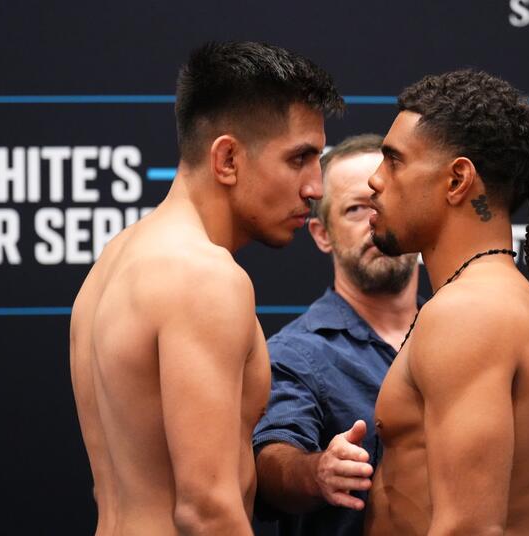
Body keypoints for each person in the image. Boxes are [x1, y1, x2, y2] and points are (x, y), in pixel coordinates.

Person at [69, 41, 343, 535]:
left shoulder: (114, 261)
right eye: (299, 158)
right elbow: (207, 510)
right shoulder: (204, 276)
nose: (315, 187)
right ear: (227, 159)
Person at [365, 70, 529, 536]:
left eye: (394, 161)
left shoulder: (470, 312)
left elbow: (470, 529)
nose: (375, 180)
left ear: (457, 180)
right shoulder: (493, 297)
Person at [253, 134, 420, 536]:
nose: (375, 220)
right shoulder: (294, 353)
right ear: (322, 234)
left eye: (386, 201)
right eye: (356, 208)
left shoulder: (463, 334)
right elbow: (272, 460)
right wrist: (318, 472)